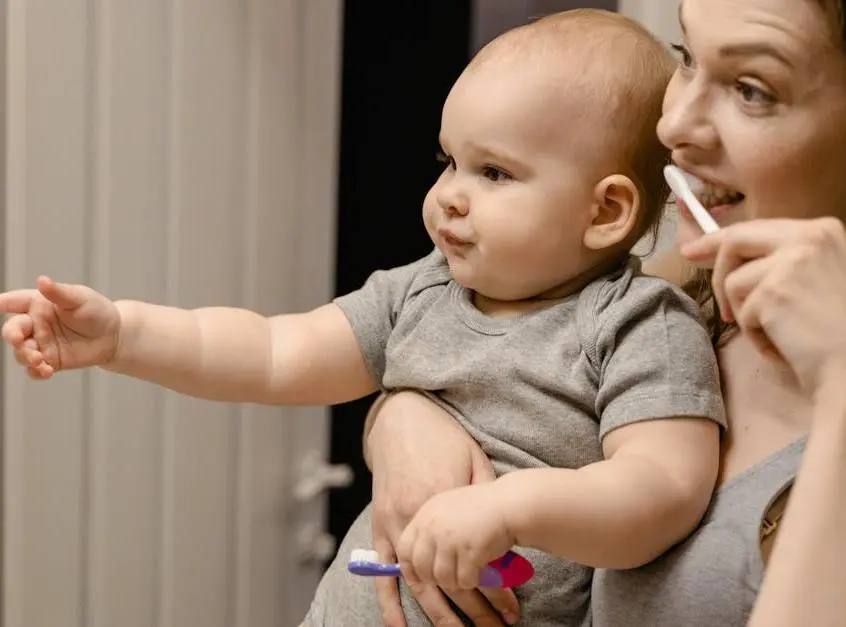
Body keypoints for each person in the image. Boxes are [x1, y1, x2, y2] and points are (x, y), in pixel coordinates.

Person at [340, 0, 846, 625]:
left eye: (752, 90)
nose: (674, 124)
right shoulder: (686, 295)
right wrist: (407, 417)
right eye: (686, 58)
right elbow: (481, 355)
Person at [0, 9, 729, 627]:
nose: (449, 195)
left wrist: (510, 508)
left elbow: (664, 488)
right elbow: (273, 351)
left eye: (494, 172)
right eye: (448, 161)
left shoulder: (640, 323)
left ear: (605, 212)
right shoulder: (420, 292)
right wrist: (125, 334)